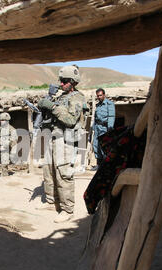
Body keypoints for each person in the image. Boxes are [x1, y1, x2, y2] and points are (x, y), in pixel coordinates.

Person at [38, 65, 87, 223]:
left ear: (72, 82)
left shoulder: (77, 97)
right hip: (53, 137)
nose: (61, 83)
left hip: (65, 140)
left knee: (63, 173)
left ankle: (67, 209)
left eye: (64, 81)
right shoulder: (60, 97)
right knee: (49, 169)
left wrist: (52, 107)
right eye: (60, 80)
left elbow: (70, 120)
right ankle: (52, 201)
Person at [0, 112, 18, 177]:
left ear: (7, 120)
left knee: (4, 163)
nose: (2, 122)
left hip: (5, 148)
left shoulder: (11, 129)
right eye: (1, 120)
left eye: (3, 120)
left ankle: (4, 176)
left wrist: (6, 145)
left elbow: (14, 140)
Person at [92, 88, 115, 170]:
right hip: (97, 127)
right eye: (97, 96)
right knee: (96, 145)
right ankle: (98, 164)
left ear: (104, 95)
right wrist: (93, 127)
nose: (99, 97)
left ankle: (105, 165)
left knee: (104, 146)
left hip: (105, 128)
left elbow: (111, 117)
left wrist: (110, 129)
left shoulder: (109, 104)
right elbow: (95, 117)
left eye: (100, 95)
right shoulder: (97, 105)